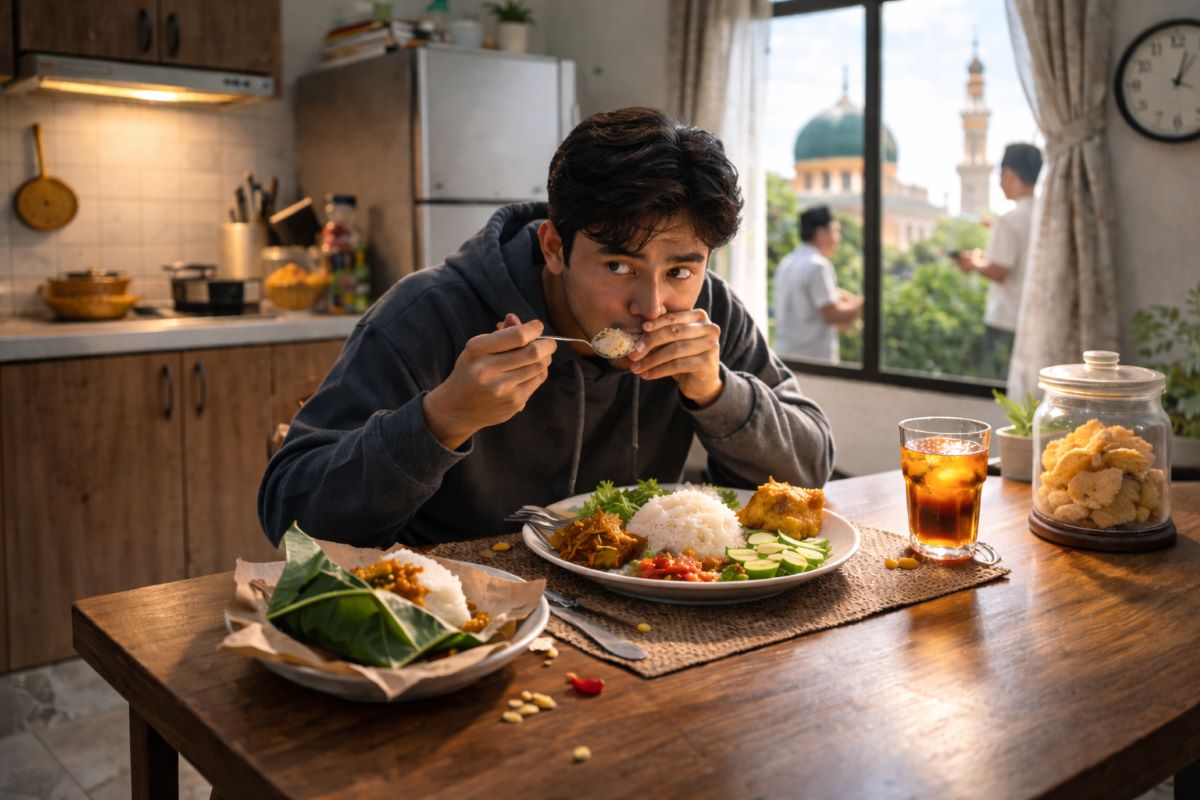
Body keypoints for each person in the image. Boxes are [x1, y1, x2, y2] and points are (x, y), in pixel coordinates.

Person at [258, 107, 836, 547]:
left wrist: (717, 394)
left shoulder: (711, 312)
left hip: (643, 621)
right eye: (619, 265)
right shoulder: (427, 314)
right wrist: (441, 420)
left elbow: (812, 471)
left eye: (681, 269)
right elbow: (288, 514)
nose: (653, 305)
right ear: (555, 246)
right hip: (463, 624)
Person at [955, 142, 1043, 374]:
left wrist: (974, 262)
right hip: (1035, 319)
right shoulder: (1045, 214)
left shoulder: (1009, 220)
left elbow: (999, 271)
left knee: (1002, 389)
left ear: (1009, 174)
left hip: (1006, 319)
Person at [773, 206, 863, 362]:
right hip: (813, 360)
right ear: (821, 233)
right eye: (835, 231)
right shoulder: (818, 266)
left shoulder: (787, 263)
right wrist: (862, 306)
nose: (838, 238)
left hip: (785, 355)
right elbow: (831, 314)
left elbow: (814, 298)